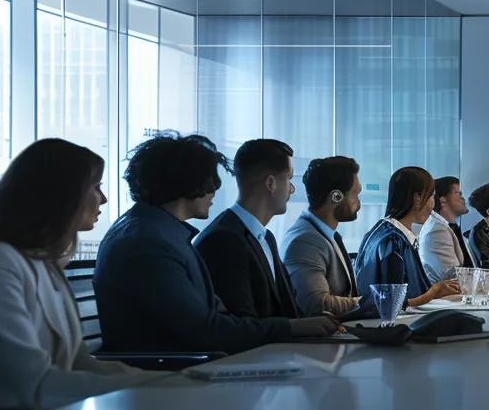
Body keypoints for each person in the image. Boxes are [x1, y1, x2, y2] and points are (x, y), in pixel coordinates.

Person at [0, 139, 164, 410]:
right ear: (60, 195)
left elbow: (80, 363)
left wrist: (166, 381)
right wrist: (155, 385)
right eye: (95, 186)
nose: (102, 199)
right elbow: (36, 384)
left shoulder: (42, 263)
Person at [95, 132, 339, 354]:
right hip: (170, 377)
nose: (215, 189)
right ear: (187, 181)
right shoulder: (150, 242)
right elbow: (205, 330)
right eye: (209, 179)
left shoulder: (159, 233)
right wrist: (291, 328)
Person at [193, 139, 299, 319]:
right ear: (271, 184)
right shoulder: (222, 240)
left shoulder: (266, 238)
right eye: (289, 179)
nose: (292, 189)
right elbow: (239, 322)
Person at [355, 166, 459, 317]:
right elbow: (392, 303)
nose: (433, 205)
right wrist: (435, 291)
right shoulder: (392, 241)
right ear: (417, 198)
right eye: (431, 196)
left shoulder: (385, 232)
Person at [281, 155, 363, 317]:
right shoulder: (305, 241)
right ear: (336, 196)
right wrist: (373, 301)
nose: (358, 201)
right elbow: (316, 303)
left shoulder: (327, 235)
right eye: (355, 194)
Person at [419, 176, 476, 282]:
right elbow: (451, 276)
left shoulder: (449, 227)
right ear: (443, 200)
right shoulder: (437, 231)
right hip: (449, 297)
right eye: (458, 193)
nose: (463, 198)